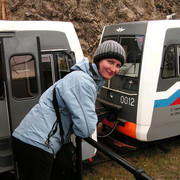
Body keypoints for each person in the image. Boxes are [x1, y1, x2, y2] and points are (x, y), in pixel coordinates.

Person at [11, 40, 125, 180]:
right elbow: (85, 129)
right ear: (99, 60)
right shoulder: (83, 81)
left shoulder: (84, 78)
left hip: (32, 140)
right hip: (37, 144)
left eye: (118, 65)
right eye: (110, 61)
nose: (114, 69)